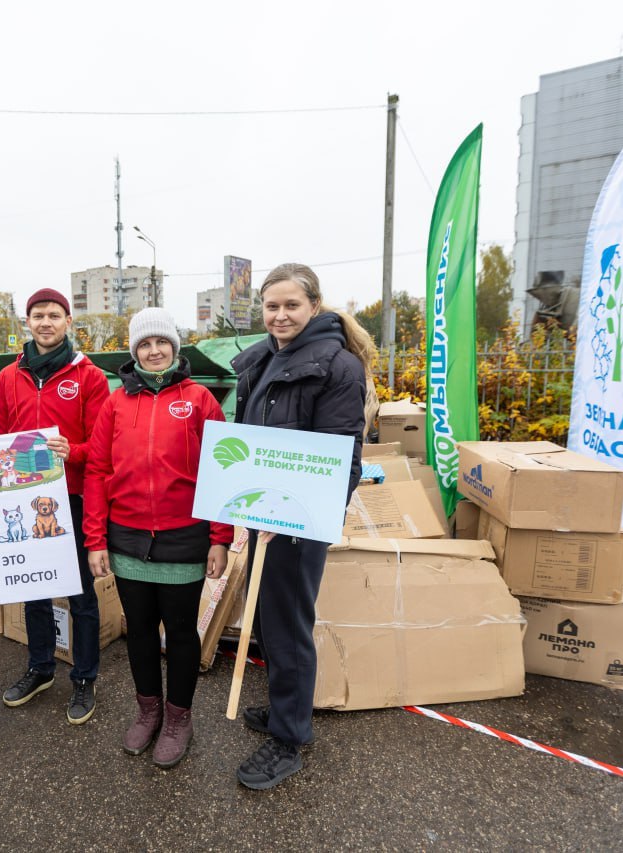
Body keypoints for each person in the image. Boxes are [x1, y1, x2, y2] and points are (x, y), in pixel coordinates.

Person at [229, 263, 371, 790]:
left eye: (291, 305)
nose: (281, 315)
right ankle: (285, 708)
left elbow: (340, 460)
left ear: (314, 305)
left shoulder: (338, 367)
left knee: (288, 627)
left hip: (295, 522)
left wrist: (292, 514)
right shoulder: (265, 359)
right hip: (263, 516)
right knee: (266, 620)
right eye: (272, 306)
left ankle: (289, 738)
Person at [84, 308, 232, 768]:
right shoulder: (115, 403)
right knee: (141, 632)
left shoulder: (201, 399)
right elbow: (98, 470)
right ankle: (148, 711)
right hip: (126, 537)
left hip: (184, 537)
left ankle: (178, 719)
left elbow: (222, 467)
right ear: (134, 351)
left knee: (183, 634)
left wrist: (220, 538)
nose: (153, 351)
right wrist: (95, 540)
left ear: (175, 346)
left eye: (161, 343)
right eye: (144, 345)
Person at [0, 288, 111, 724]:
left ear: (67, 323)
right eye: (38, 315)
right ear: (28, 322)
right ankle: (40, 668)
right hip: (26, 498)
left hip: (74, 497)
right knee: (33, 587)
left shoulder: (89, 377)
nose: (45, 322)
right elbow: (1, 436)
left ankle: (84, 677)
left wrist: (72, 451)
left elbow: (102, 446)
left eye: (54, 315)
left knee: (79, 592)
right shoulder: (9, 377)